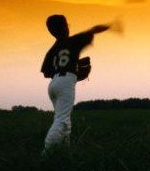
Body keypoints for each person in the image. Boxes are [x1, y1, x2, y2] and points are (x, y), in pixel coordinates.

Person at [40, 15, 109, 150]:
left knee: (64, 120)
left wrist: (74, 65)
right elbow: (93, 30)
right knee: (62, 120)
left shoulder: (52, 50)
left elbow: (46, 73)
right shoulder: (73, 41)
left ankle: (64, 154)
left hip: (53, 85)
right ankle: (46, 154)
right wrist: (110, 26)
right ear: (66, 26)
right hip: (66, 83)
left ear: (51, 31)